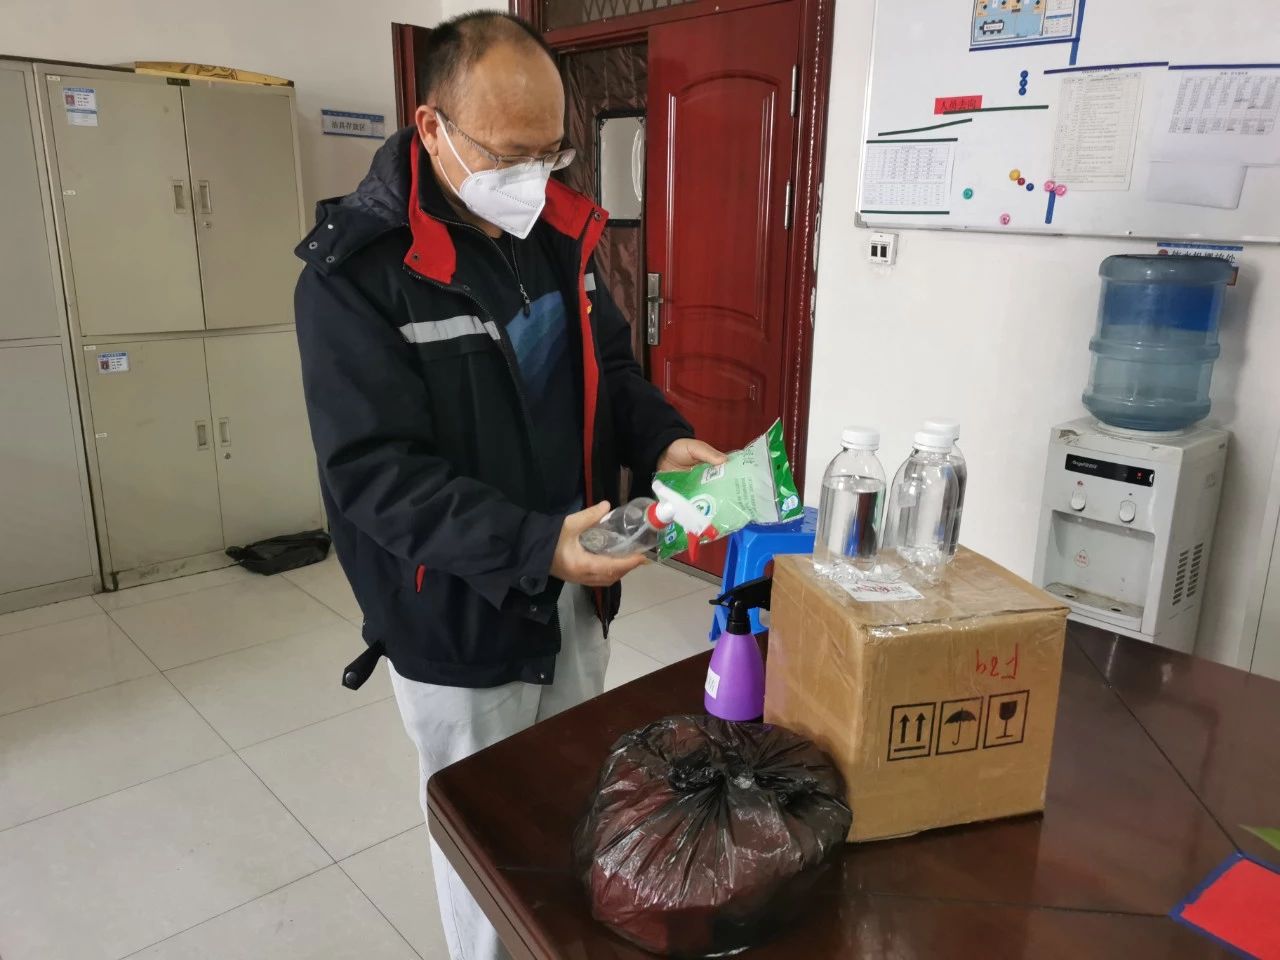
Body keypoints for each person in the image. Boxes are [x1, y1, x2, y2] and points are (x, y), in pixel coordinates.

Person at [292, 12, 723, 960]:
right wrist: (535, 545)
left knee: (572, 801)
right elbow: (373, 474)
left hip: (576, 583)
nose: (533, 175)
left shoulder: (556, 232)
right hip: (456, 607)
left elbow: (612, 370)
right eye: (508, 153)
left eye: (551, 151)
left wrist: (663, 441)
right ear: (432, 126)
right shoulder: (356, 274)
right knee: (486, 844)